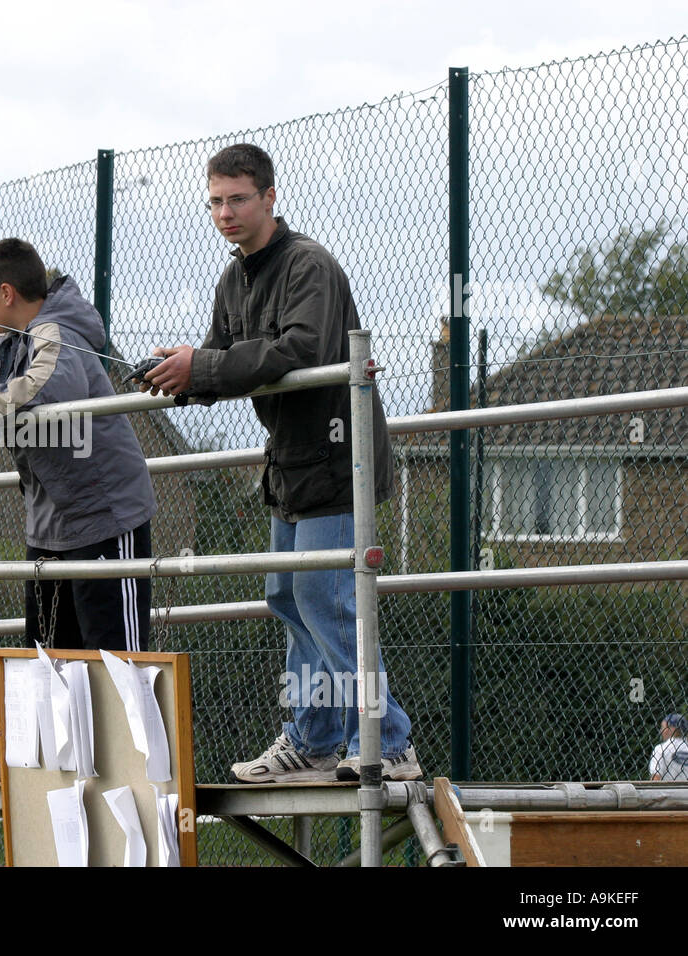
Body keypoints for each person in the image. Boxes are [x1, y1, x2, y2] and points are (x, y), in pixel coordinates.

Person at [143, 143, 420, 784]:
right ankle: (316, 739)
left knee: (325, 599)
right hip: (288, 466)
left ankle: (390, 742)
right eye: (215, 201)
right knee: (287, 599)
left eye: (238, 198)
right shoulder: (232, 276)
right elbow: (219, 355)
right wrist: (178, 375)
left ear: (270, 198)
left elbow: (294, 351)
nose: (225, 212)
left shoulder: (309, 265)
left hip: (336, 458)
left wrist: (203, 366)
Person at [0, 237, 156, 651]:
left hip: (104, 518)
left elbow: (51, 386)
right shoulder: (3, 344)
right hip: (49, 527)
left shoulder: (56, 330)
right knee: (51, 660)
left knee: (120, 662)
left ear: (6, 293)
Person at [650, 713, 688, 781]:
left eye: (663, 727)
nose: (661, 731)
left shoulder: (660, 749)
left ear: (671, 728)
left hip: (667, 791)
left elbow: (656, 777)